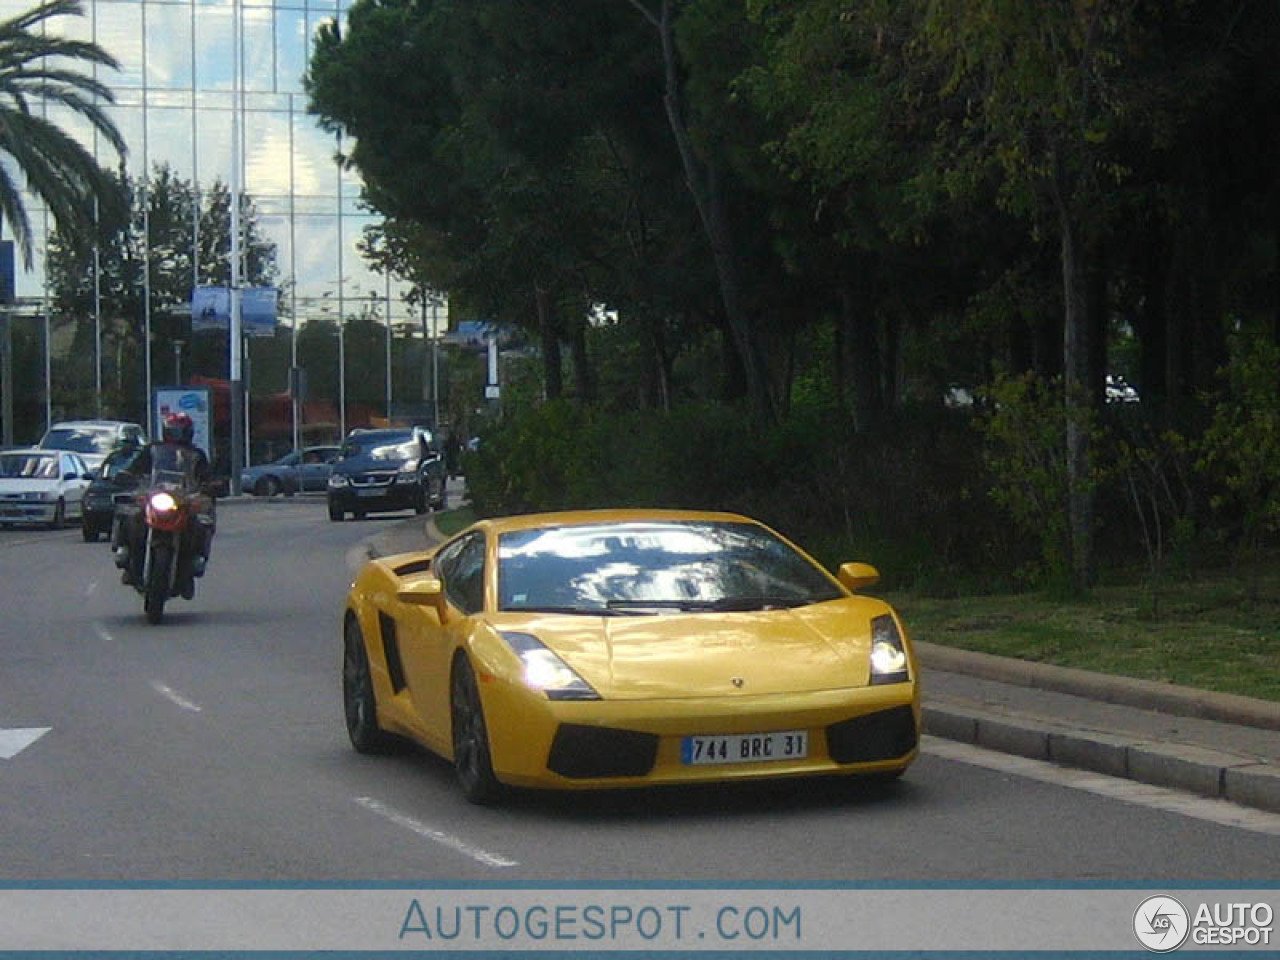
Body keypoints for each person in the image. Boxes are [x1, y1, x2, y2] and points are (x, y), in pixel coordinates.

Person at [114, 412, 215, 593]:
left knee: (200, 525)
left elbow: (207, 478)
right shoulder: (153, 450)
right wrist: (127, 478)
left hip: (182, 501)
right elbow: (134, 470)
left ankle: (193, 566)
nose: (176, 435)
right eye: (173, 431)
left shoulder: (196, 455)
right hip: (155, 495)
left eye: (179, 431)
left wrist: (210, 487)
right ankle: (126, 556)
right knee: (132, 518)